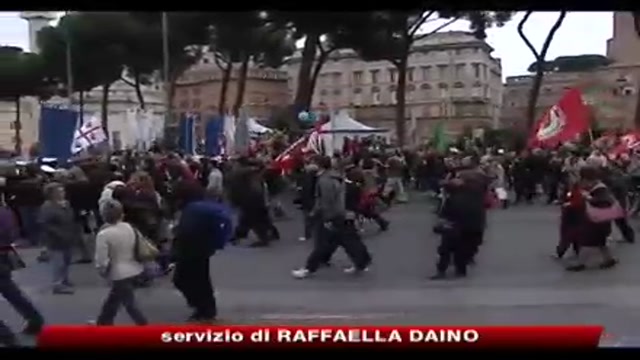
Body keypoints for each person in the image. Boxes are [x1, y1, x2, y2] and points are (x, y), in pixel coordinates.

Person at [292, 156, 372, 279]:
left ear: (318, 165)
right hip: (342, 214)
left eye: (311, 163)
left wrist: (326, 217)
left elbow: (327, 201)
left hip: (334, 216)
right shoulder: (334, 177)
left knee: (323, 244)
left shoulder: (325, 180)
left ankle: (308, 268)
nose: (308, 165)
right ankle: (362, 262)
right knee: (350, 241)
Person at [173, 185, 233, 322]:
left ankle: (203, 308)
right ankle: (205, 308)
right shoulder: (199, 208)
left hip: (191, 250)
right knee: (201, 279)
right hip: (202, 248)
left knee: (185, 279)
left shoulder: (192, 210)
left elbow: (186, 232)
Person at [93, 199, 148, 325]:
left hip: (118, 272)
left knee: (129, 303)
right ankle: (103, 321)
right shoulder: (129, 227)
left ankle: (144, 325)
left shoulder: (104, 234)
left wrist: (102, 271)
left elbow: (102, 259)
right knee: (115, 298)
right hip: (134, 267)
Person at [0, 191, 45, 345]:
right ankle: (34, 319)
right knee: (10, 291)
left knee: (10, 290)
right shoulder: (6, 212)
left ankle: (6, 336)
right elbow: (13, 233)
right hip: (4, 255)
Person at [565, 166, 618, 272]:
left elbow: (603, 202)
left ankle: (580, 263)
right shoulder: (598, 186)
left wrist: (588, 198)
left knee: (586, 241)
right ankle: (609, 259)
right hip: (602, 219)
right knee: (601, 242)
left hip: (597, 219)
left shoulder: (600, 188)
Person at [38, 182, 79, 294]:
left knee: (67, 260)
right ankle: (57, 284)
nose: (63, 193)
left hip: (68, 236)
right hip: (55, 239)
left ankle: (65, 279)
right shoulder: (47, 207)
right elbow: (44, 223)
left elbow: (71, 218)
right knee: (58, 262)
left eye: (63, 191)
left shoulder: (66, 204)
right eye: (59, 191)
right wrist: (57, 233)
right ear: (51, 194)